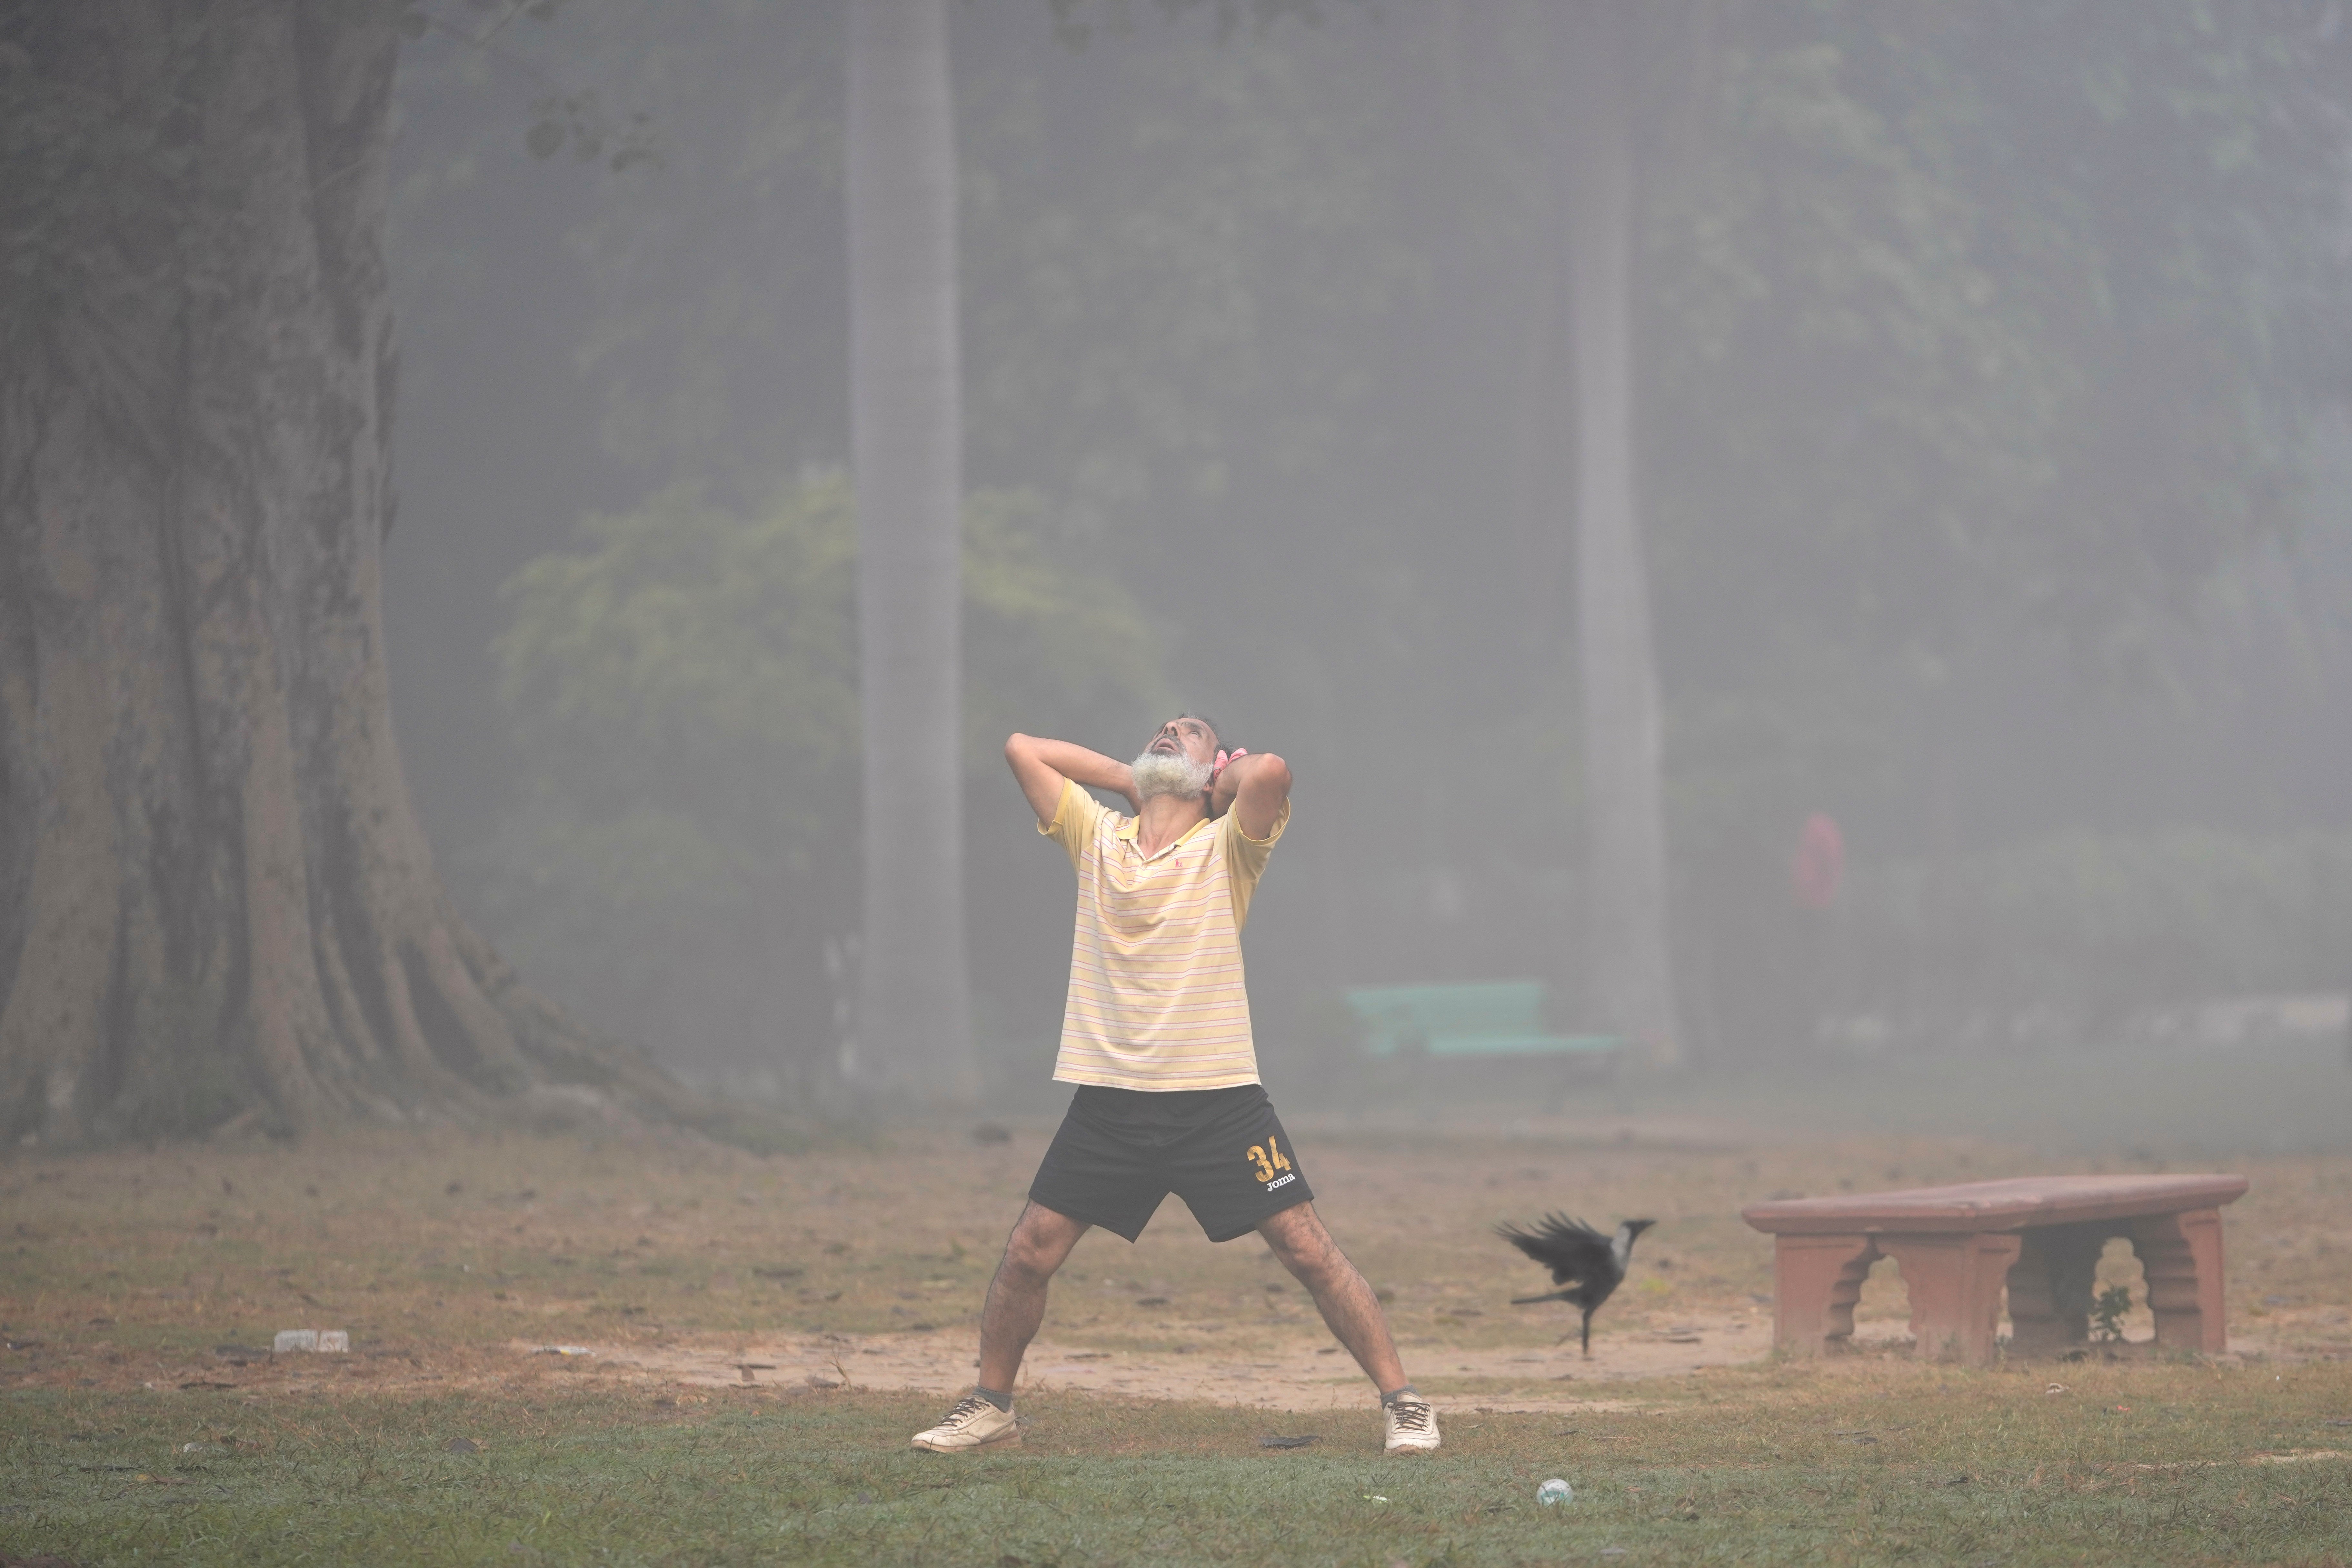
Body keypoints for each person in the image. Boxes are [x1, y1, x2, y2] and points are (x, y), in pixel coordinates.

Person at [911, 714, 1438, 1454]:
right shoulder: (1096, 835)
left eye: (1188, 732)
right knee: (1030, 1250)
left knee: (1307, 1249)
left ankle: (1405, 1403)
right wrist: (1135, 778)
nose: (1167, 732)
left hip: (1218, 1099)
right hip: (1110, 1101)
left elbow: (1274, 772)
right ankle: (991, 1406)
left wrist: (1215, 783)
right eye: (1159, 728)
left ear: (1215, 766)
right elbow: (1020, 749)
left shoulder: (1228, 846)